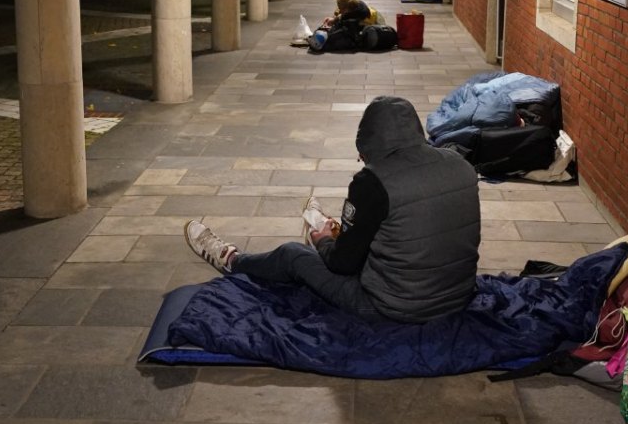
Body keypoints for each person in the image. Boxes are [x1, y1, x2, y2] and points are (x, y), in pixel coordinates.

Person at [183, 96, 481, 323]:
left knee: (292, 255)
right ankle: (328, 228)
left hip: (393, 306)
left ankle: (231, 261)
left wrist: (322, 241)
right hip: (458, 297)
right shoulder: (461, 165)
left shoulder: (372, 182)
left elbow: (342, 265)